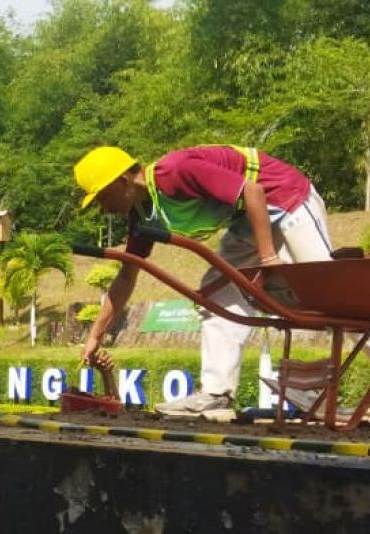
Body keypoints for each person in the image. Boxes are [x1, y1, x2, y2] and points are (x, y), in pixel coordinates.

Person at [74, 145, 333, 418]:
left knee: (335, 296)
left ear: (122, 181)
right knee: (215, 294)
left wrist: (268, 256)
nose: (104, 208)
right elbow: (127, 275)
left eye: (102, 197)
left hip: (286, 199)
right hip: (248, 221)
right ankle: (217, 393)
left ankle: (336, 370)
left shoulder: (176, 171)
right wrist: (94, 337)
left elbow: (252, 191)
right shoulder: (142, 213)